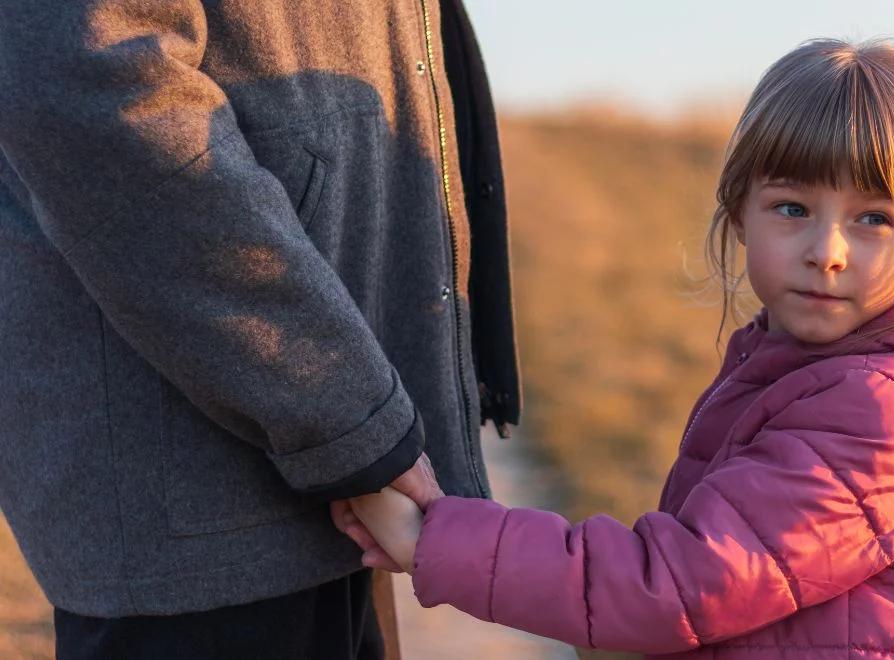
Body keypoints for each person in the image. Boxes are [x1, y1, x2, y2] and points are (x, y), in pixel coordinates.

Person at [338, 38, 894, 659]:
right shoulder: (809, 367)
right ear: (739, 214)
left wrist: (432, 541)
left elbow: (673, 584)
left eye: (873, 219)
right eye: (793, 208)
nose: (827, 252)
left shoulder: (882, 412)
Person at [0, 0, 518, 658]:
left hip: (329, 458)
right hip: (200, 503)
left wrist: (361, 416)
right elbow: (92, 81)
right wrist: (340, 408)